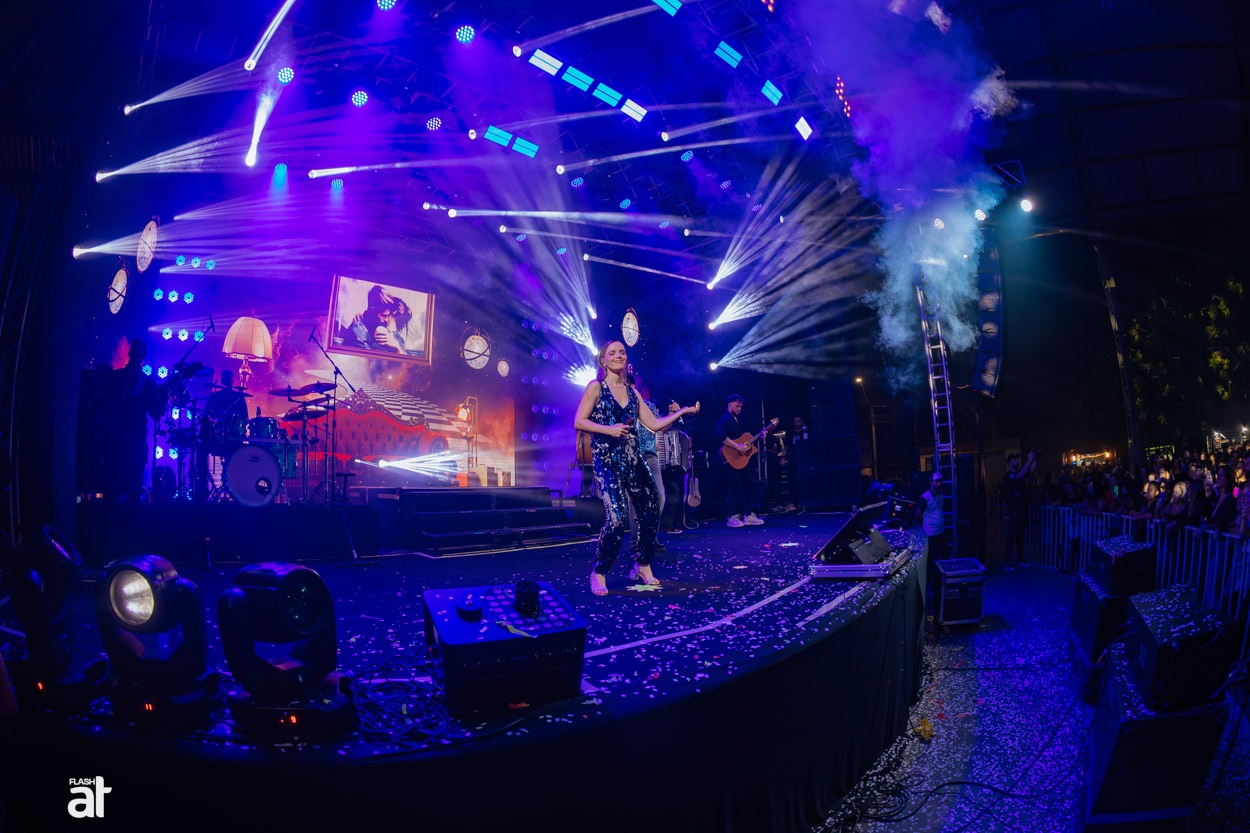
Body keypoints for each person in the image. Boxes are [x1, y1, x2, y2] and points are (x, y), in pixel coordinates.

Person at [575, 341, 699, 596]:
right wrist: (609, 429)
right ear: (603, 361)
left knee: (652, 507)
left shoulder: (633, 393)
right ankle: (599, 572)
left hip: (634, 458)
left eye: (622, 352)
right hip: (608, 460)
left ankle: (642, 565)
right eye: (612, 353)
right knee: (617, 518)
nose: (618, 355)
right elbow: (579, 421)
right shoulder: (596, 387)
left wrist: (683, 412)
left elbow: (654, 425)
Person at [112, 338, 167, 503]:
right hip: (133, 439)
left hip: (116, 438)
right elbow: (156, 414)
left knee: (114, 490)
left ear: (129, 354)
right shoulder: (147, 383)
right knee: (133, 492)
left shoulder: (115, 377)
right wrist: (164, 394)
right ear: (144, 357)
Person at [714, 395, 764, 528]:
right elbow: (720, 435)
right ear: (729, 405)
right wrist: (737, 447)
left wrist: (760, 436)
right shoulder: (723, 419)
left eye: (741, 406)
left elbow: (745, 439)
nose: (740, 408)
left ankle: (749, 515)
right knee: (734, 486)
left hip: (741, 459)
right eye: (737, 406)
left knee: (750, 483)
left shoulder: (739, 419)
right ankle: (732, 516)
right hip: (729, 458)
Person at [659, 400, 693, 533]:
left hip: (673, 465)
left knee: (675, 492)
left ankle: (673, 523)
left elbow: (684, 432)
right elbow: (662, 429)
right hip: (662, 462)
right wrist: (672, 413)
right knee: (672, 492)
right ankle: (667, 525)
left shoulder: (676, 420)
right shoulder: (659, 417)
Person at [1003, 450, 1037, 570]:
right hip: (1014, 511)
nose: (1017, 461)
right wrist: (1030, 459)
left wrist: (1035, 458)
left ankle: (1020, 560)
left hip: (1022, 509)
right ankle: (1007, 562)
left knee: (1020, 536)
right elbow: (1019, 475)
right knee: (1011, 536)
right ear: (1009, 462)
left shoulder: (1020, 473)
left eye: (1017, 459)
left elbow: (1031, 469)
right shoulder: (1009, 476)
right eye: (1014, 459)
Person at [915, 472, 948, 562]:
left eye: (940, 481)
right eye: (937, 482)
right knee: (931, 559)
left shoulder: (940, 494)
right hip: (930, 534)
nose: (939, 484)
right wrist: (925, 526)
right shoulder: (925, 497)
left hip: (941, 531)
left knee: (944, 556)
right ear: (931, 483)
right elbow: (917, 515)